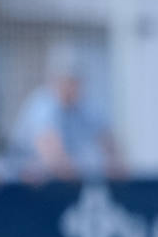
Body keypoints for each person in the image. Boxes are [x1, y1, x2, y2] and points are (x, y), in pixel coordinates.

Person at [7, 55, 121, 183]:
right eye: (67, 82)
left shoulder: (86, 105)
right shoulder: (43, 104)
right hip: (23, 179)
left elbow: (109, 143)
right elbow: (53, 156)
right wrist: (82, 172)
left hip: (66, 178)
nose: (71, 87)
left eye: (75, 82)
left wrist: (114, 165)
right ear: (55, 82)